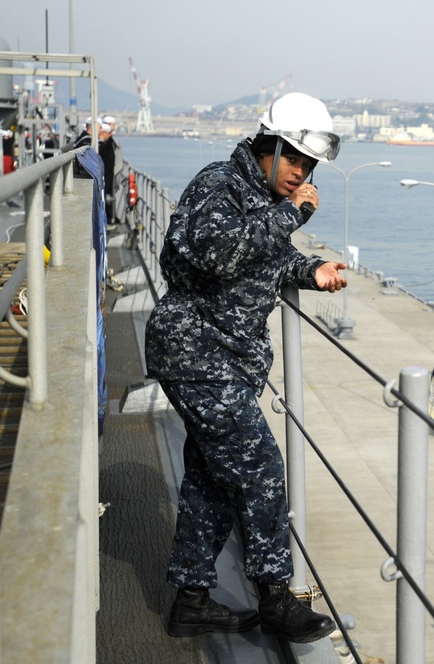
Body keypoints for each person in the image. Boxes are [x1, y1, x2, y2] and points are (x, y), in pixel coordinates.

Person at [144, 92, 346, 643]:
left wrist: (311, 270)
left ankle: (191, 599)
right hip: (198, 354)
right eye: (295, 160)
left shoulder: (260, 195)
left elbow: (267, 257)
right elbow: (217, 252)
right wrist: (293, 214)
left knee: (212, 481)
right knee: (260, 470)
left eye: (309, 167)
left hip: (224, 360)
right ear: (268, 146)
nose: (301, 175)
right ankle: (276, 597)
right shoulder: (220, 186)